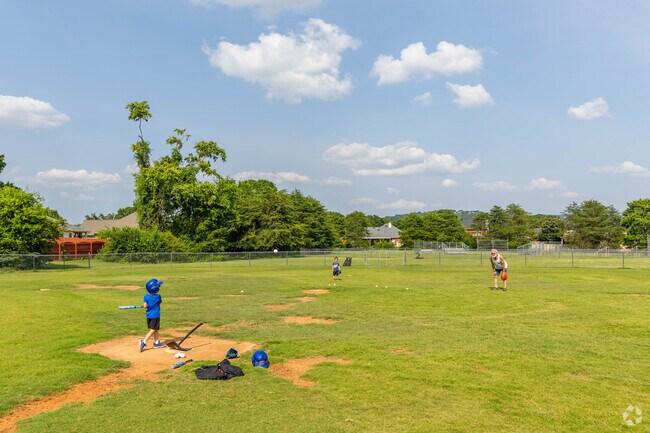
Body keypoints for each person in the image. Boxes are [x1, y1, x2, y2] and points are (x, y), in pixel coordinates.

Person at [139, 278, 165, 352]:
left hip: (149, 315)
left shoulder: (145, 296)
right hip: (155, 316)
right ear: (155, 289)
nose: (159, 287)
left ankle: (156, 343)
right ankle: (143, 341)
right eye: (158, 286)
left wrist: (146, 306)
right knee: (153, 329)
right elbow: (159, 303)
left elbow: (145, 305)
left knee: (156, 329)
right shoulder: (158, 296)